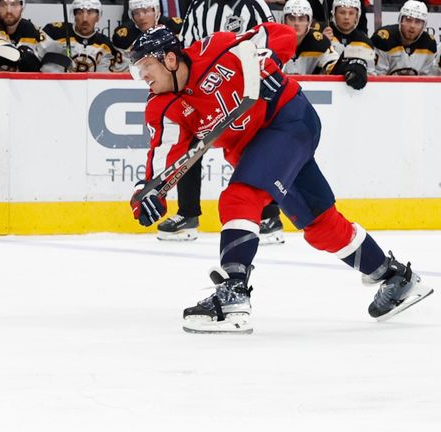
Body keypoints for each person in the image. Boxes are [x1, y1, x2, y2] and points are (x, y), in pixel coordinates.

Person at [128, 24, 433, 333]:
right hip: (258, 151)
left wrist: (267, 62)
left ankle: (233, 292)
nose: (144, 78)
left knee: (240, 197)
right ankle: (395, 278)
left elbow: (279, 33)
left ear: (168, 59)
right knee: (321, 227)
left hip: (288, 119)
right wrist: (149, 191)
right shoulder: (162, 107)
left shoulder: (216, 49)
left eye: (145, 67)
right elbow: (165, 154)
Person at [154, 0, 285, 244]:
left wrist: (267, 75)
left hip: (243, 88)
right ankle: (187, 213)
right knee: (190, 145)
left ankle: (269, 215)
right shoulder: (196, 6)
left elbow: (270, 42)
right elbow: (186, 48)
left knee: (251, 147)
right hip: (203, 89)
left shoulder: (252, 6)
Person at [36, 0, 118, 72]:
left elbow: (104, 81)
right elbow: (35, 60)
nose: (85, 19)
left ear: (98, 17)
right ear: (74, 15)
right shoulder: (54, 33)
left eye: (90, 12)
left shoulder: (105, 45)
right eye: (80, 12)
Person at [112, 0, 182, 73]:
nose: (141, 17)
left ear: (156, 10)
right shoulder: (125, 36)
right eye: (136, 13)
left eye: (146, 11)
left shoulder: (173, 28)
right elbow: (122, 73)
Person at [372, 0, 438, 76]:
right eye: (408, 20)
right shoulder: (383, 39)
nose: (412, 26)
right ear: (400, 20)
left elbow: (427, 80)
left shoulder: (429, 43)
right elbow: (377, 77)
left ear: (424, 25)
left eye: (418, 22)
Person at [322, 0, 375, 88]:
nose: (346, 17)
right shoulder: (324, 36)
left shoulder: (365, 42)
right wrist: (322, 42)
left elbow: (371, 73)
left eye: (351, 13)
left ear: (357, 16)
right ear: (334, 14)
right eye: (342, 12)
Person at [281, 0, 339, 75]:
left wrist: (350, 68)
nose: (296, 23)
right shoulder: (273, 42)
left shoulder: (319, 42)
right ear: (284, 20)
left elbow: (335, 66)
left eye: (301, 19)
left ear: (309, 22)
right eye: (291, 18)